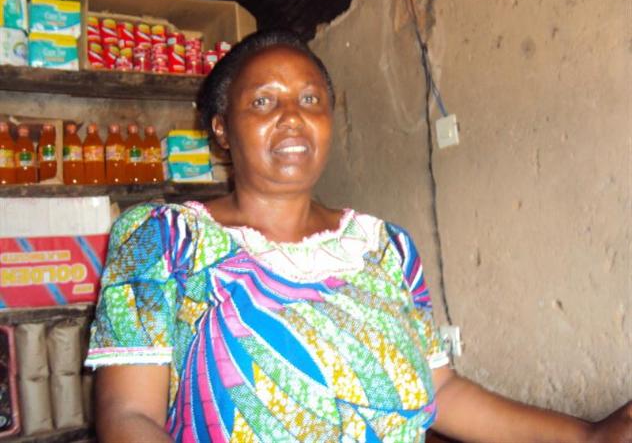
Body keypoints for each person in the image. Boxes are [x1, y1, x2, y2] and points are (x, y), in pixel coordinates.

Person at [86, 29, 631, 443]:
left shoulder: (386, 246)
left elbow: (440, 390)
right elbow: (128, 416)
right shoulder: (161, 240)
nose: (292, 118)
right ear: (222, 129)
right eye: (263, 102)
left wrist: (589, 436)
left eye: (310, 100)